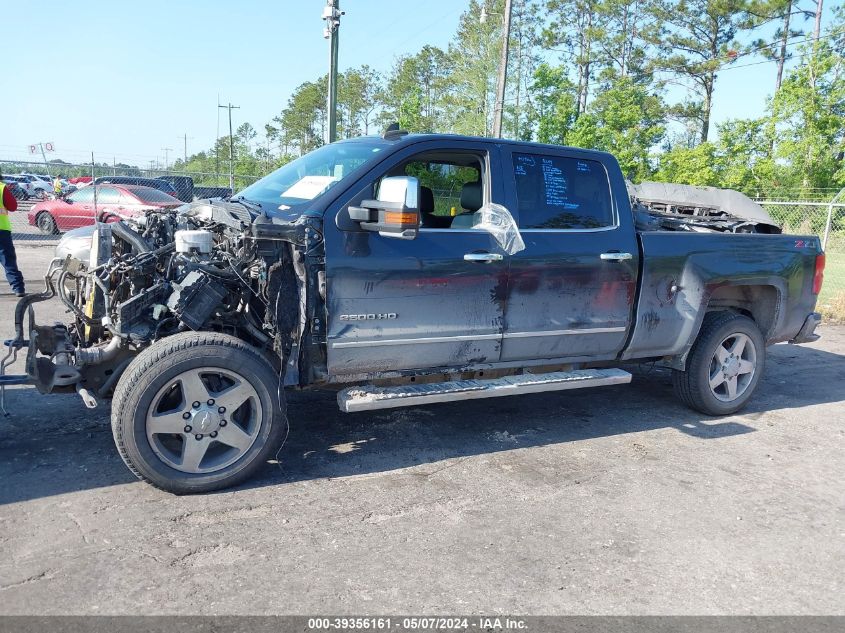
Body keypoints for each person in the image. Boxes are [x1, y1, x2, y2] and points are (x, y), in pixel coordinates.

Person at [0, 172, 25, 297]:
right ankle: (18, 288)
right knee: (8, 260)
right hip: (2, 230)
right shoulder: (1, 187)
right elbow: (13, 206)